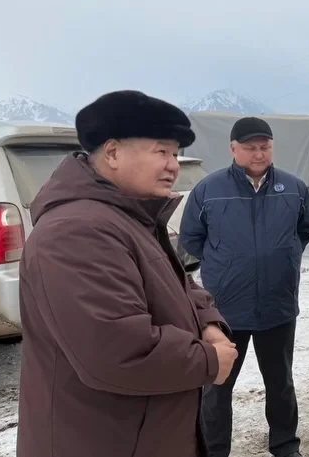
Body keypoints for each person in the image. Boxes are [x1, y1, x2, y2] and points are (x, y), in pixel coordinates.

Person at [16, 90, 238, 457]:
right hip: (102, 440)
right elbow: (116, 352)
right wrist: (209, 361)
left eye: (175, 154)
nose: (173, 166)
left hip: (142, 434)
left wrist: (207, 322)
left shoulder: (126, 217)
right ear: (113, 153)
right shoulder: (77, 232)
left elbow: (176, 284)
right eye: (161, 151)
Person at [180, 116, 309, 457]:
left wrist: (282, 257)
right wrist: (227, 264)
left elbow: (303, 231)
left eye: (264, 147)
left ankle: (285, 446)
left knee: (280, 382)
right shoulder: (209, 190)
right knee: (217, 385)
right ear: (233, 149)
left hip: (277, 304)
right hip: (225, 309)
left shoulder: (294, 187)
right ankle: (214, 450)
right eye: (250, 147)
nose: (258, 154)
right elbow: (192, 239)